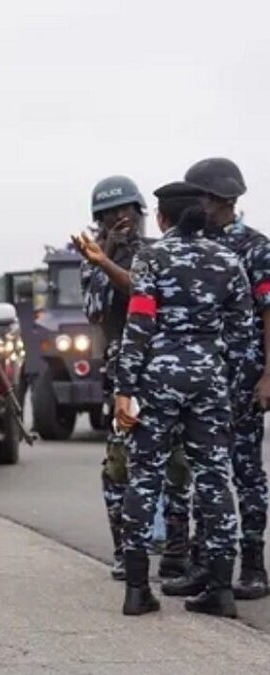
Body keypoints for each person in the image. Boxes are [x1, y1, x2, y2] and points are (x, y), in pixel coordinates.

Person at [113, 201, 249, 619]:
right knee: (214, 479)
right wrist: (233, 386)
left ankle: (137, 590)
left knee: (145, 476)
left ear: (162, 218)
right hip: (210, 379)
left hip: (159, 379)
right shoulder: (228, 260)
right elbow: (242, 334)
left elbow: (139, 324)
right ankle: (221, 590)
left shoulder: (152, 257)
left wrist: (124, 388)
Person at [71, 177, 192, 581]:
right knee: (119, 467)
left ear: (140, 213)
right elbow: (95, 311)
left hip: (167, 369)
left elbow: (163, 301)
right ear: (99, 220)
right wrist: (104, 257)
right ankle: (125, 552)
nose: (120, 218)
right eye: (110, 213)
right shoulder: (92, 259)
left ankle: (176, 552)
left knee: (176, 463)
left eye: (126, 210)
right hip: (124, 374)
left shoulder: (158, 253)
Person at [166, 158, 270, 602]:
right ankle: (205, 564)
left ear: (218, 199)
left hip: (243, 379)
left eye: (200, 199)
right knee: (204, 470)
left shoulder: (255, 248)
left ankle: (253, 565)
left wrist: (267, 376)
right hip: (203, 378)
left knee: (245, 472)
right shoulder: (194, 244)